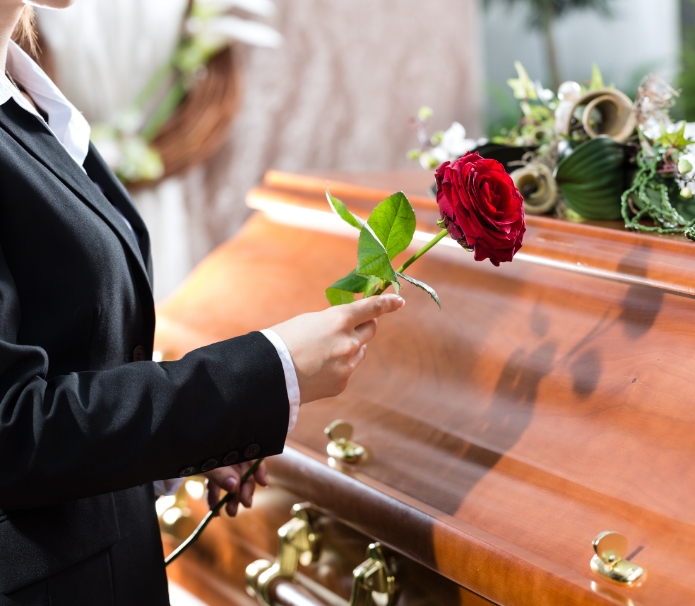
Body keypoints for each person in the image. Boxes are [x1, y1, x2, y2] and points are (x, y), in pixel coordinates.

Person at [0, 2, 404, 604]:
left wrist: (180, 447)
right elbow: (13, 431)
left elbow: (70, 365)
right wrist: (271, 370)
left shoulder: (26, 95)